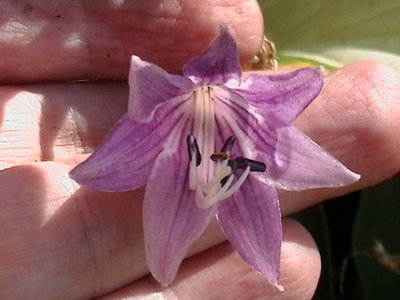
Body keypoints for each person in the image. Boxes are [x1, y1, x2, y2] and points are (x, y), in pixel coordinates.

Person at [1, 1, 400, 299]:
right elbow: (106, 159)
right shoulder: (155, 93)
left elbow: (301, 93)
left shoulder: (207, 123)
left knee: (274, 256)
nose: (213, 172)